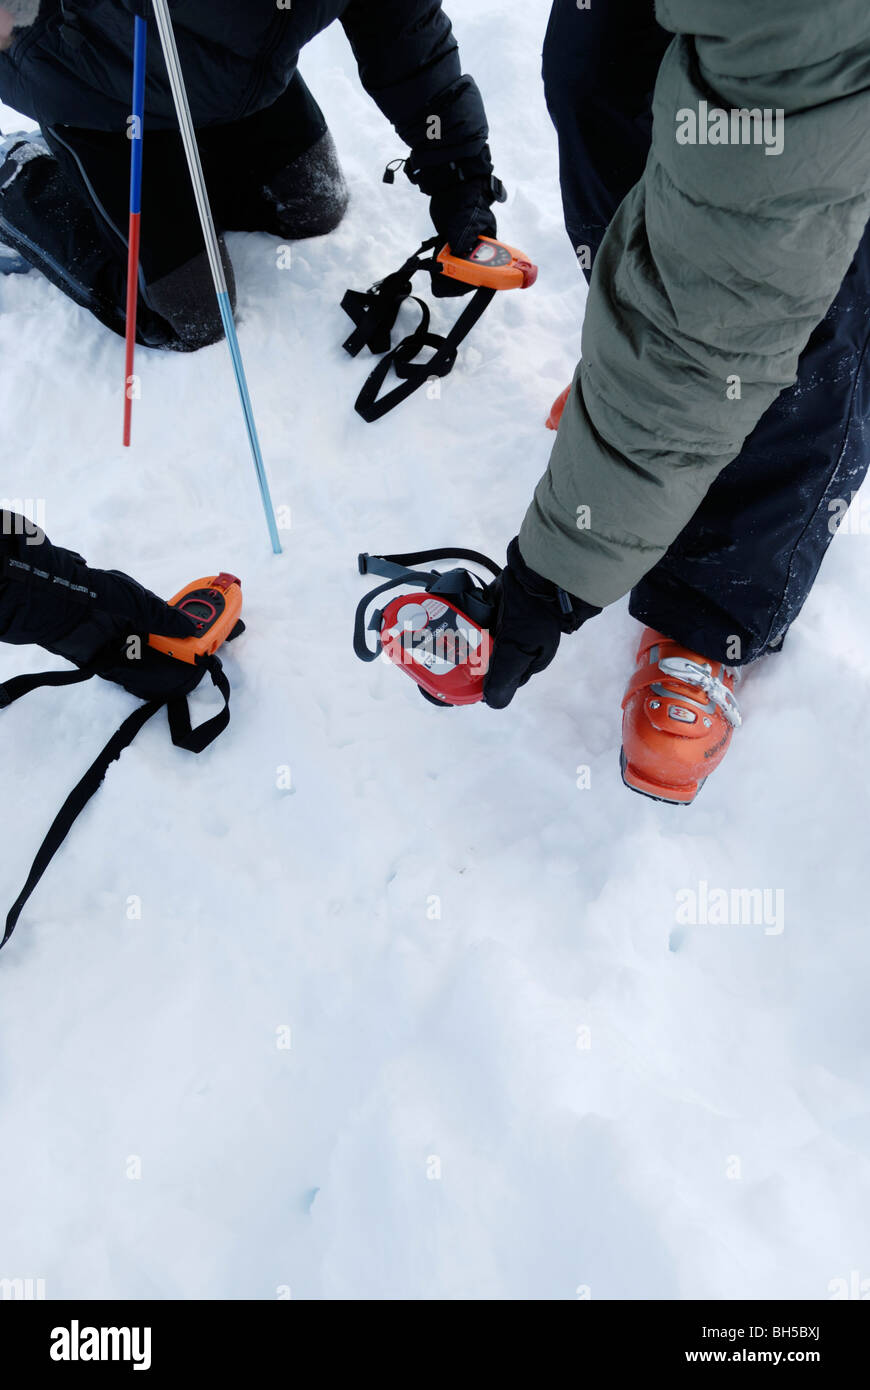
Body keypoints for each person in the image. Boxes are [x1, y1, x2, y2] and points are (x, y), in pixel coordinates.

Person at [478, 0, 870, 803]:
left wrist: (555, 576)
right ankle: (640, 385)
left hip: (825, 72)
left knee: (801, 250)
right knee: (598, 79)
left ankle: (714, 607)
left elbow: (736, 278)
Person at [0, 1, 503, 350]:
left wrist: (459, 173)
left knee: (314, 206)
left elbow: (407, 34)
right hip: (96, 89)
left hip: (225, 73)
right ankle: (21, 181)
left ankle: (185, 160)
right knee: (193, 317)